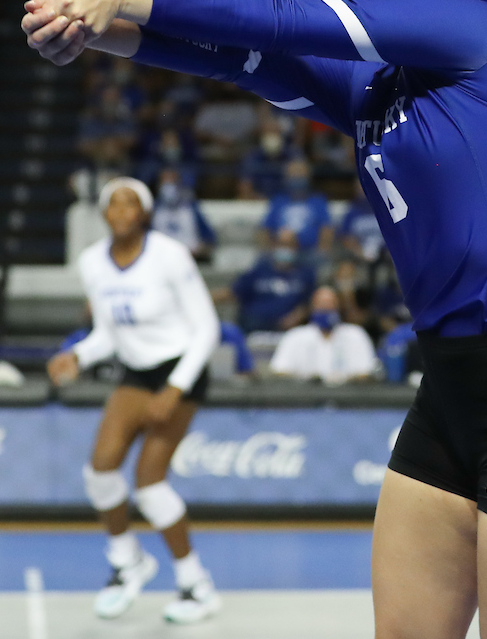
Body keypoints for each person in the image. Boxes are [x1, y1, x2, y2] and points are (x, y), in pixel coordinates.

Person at [23, 0, 487, 639]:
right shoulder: (381, 91)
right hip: (450, 394)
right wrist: (96, 31)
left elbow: (286, 18)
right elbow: (242, 55)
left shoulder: (477, 32)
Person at [47, 177, 222, 624]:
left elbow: (207, 330)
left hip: (182, 368)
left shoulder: (169, 255)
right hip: (136, 371)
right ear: (104, 214)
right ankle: (128, 563)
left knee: (150, 484)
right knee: (100, 470)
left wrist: (175, 389)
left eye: (130, 203)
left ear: (143, 213)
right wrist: (78, 356)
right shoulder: (91, 263)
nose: (121, 211)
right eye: (113, 204)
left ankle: (196, 585)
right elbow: (109, 333)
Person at [269, 285, 378, 383]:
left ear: (338, 307)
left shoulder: (355, 334)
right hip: (305, 398)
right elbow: (279, 371)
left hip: (347, 398)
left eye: (330, 305)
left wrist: (342, 379)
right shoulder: (295, 336)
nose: (326, 310)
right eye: (322, 305)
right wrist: (306, 379)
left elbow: (367, 373)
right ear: (312, 308)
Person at [221, 228, 314, 333]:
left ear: (296, 247)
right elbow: (234, 292)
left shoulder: (305, 274)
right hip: (254, 324)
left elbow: (311, 302)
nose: (284, 249)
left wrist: (298, 316)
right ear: (274, 245)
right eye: (281, 244)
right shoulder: (259, 270)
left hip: (287, 327)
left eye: (289, 244)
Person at [257, 157, 333, 254]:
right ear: (286, 177)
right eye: (293, 173)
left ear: (308, 176)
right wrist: (268, 252)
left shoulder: (317, 201)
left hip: (309, 253)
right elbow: (265, 228)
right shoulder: (279, 200)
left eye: (300, 173)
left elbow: (327, 228)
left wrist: (322, 252)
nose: (297, 176)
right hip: (281, 252)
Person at [150, 167, 216, 261]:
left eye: (172, 180)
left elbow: (210, 240)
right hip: (160, 260)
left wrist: (197, 251)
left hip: (190, 258)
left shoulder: (191, 207)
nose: (168, 185)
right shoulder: (153, 209)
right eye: (165, 181)